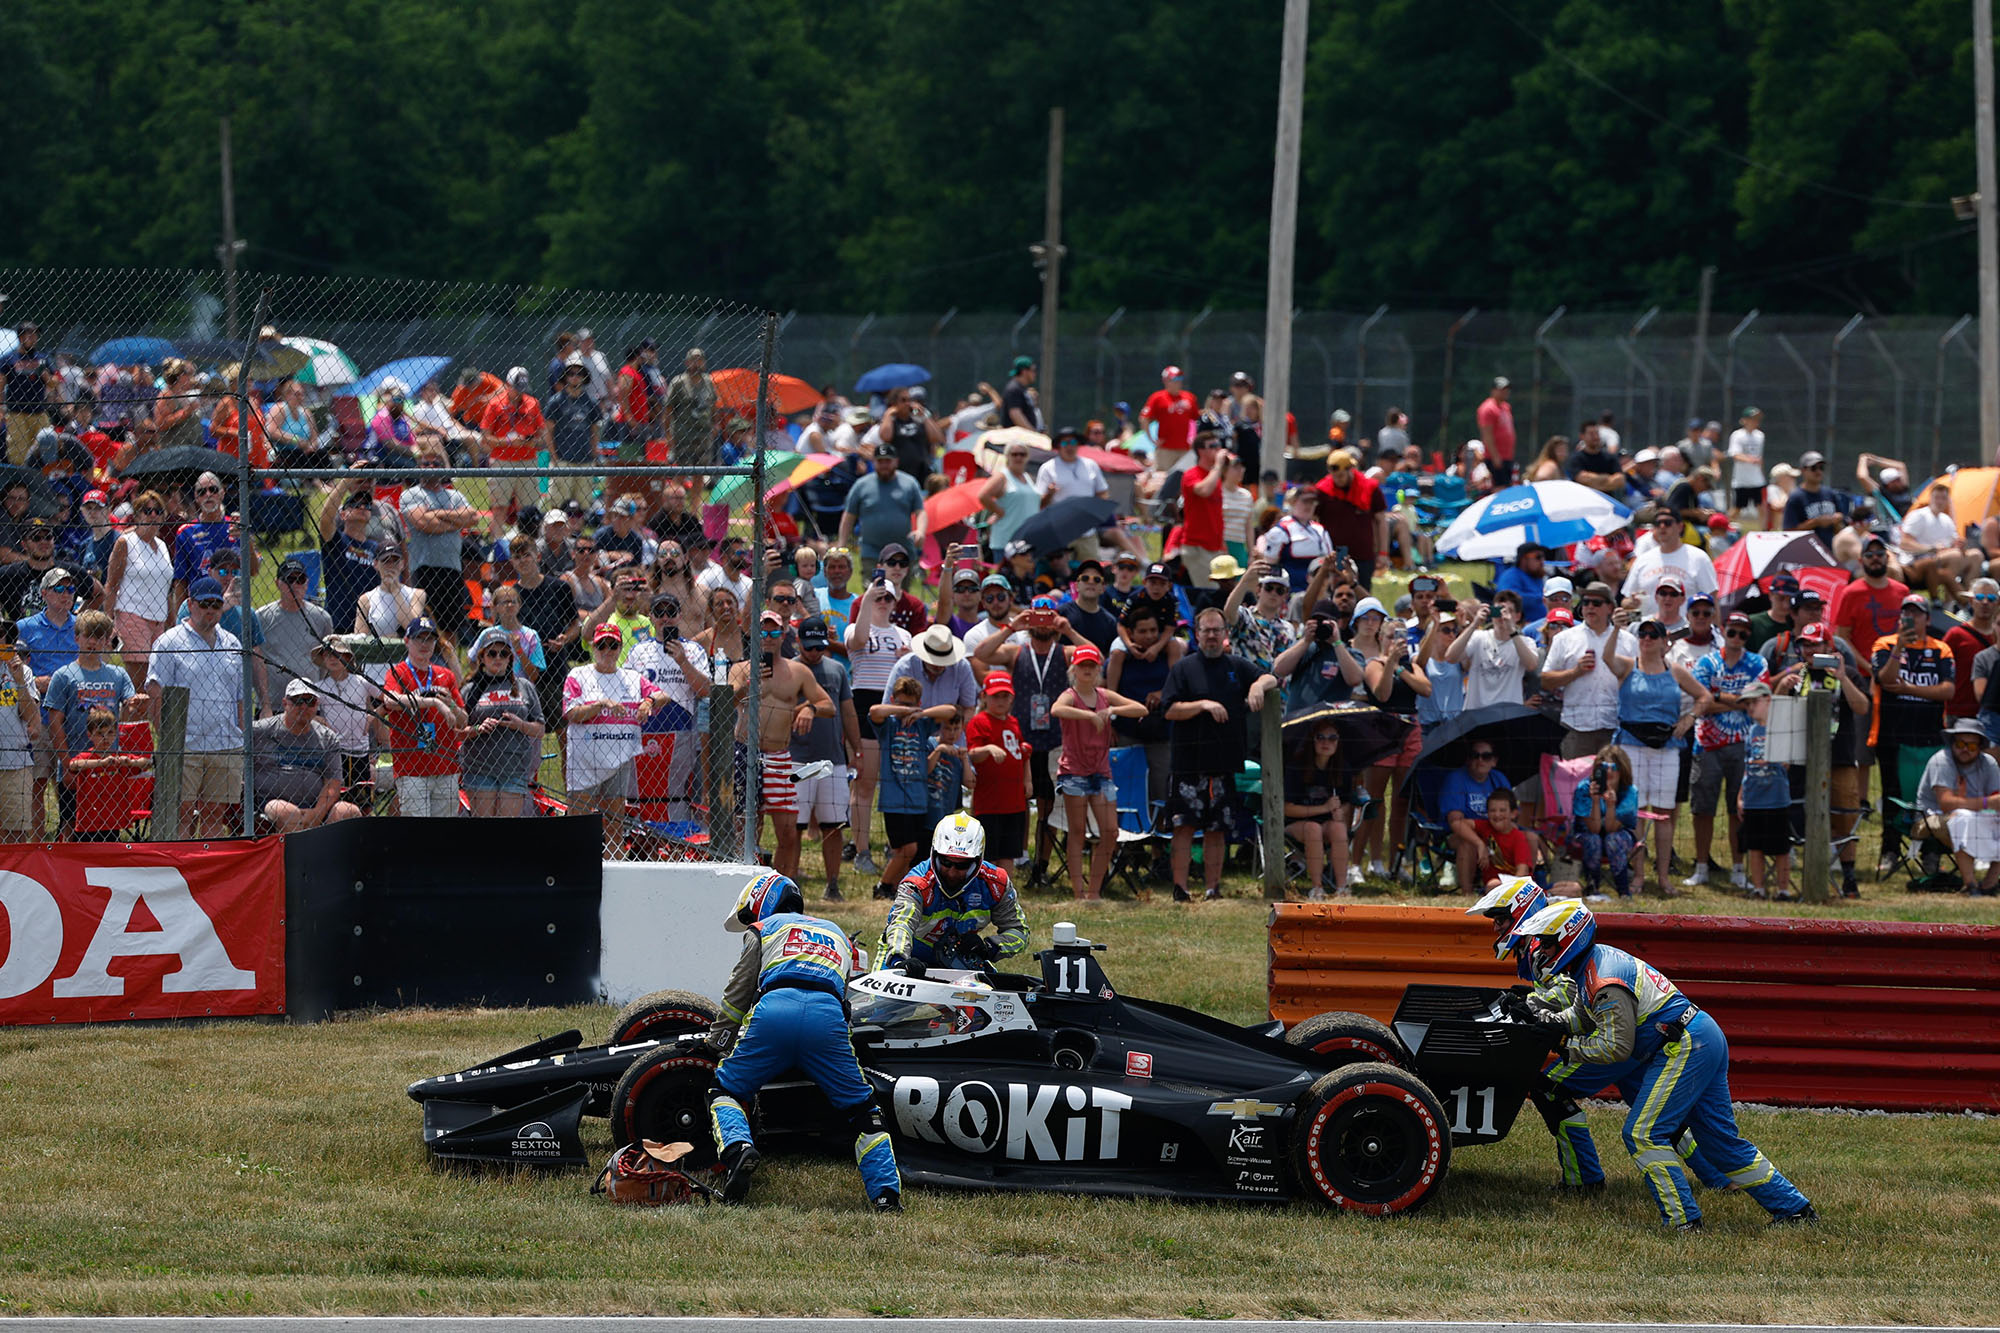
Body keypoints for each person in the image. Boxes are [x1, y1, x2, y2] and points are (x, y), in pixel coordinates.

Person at [1514, 900, 1817, 1230]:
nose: (1541, 950)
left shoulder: (1602, 979)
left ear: (1568, 938)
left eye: (1547, 941)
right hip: (1700, 1035)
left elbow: (1616, 1047)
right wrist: (1548, 1021)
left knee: (1643, 1134)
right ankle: (1795, 1210)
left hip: (1684, 1046)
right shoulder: (1594, 962)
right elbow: (1582, 1015)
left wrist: (1564, 1046)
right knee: (1721, 1144)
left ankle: (1683, 1221)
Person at [708, 870, 902, 1211]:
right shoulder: (838, 933)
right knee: (864, 1112)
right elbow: (845, 1001)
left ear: (763, 903)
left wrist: (718, 1041)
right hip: (827, 1019)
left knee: (726, 1090)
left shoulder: (762, 929)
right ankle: (886, 1196)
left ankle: (738, 1150)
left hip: (774, 1011)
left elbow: (738, 993)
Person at [1161, 607, 1278, 902]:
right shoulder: (1184, 668)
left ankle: (1213, 889)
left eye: (1217, 630)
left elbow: (1272, 678)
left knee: (1217, 830)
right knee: (1183, 827)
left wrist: (1257, 686)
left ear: (1226, 634)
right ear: (1197, 634)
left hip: (1224, 764)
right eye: (1206, 630)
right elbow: (1169, 710)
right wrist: (1202, 705)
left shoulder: (1237, 666)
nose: (1211, 635)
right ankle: (1181, 888)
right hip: (1188, 765)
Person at [729, 609, 834, 881]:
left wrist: (809, 708)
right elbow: (725, 702)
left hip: (778, 755)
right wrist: (749, 686)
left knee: (787, 831)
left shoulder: (797, 671)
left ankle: (779, 887)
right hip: (746, 751)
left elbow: (828, 706)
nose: (768, 637)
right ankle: (746, 885)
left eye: (774, 631)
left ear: (783, 634)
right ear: (753, 634)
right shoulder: (740, 668)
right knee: (747, 827)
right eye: (762, 632)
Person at [1611, 617, 1711, 897]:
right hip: (1632, 744)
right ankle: (1640, 876)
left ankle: (1664, 876)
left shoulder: (1676, 671)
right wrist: (1616, 628)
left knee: (1664, 814)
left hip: (1667, 746)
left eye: (1652, 635)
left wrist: (1689, 719)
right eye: (1642, 634)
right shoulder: (1629, 665)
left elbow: (1704, 697)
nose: (1646, 639)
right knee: (1636, 811)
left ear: (1663, 641)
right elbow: (1608, 659)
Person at [146, 575, 245, 837]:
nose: (210, 610)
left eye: (216, 604)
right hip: (184, 744)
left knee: (216, 812)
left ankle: (208, 869)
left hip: (224, 743)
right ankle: (181, 867)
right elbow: (156, 692)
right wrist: (167, 740)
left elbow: (240, 698)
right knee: (182, 811)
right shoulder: (169, 642)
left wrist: (241, 737)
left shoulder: (233, 644)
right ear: (190, 604)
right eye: (204, 604)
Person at [1049, 644, 1146, 900]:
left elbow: (1141, 709)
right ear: (1075, 670)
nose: (1088, 670)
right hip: (1074, 772)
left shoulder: (1103, 695)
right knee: (1077, 831)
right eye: (1083, 666)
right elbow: (1056, 709)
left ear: (1098, 669)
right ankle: (1079, 892)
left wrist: (1112, 710)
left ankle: (1094, 891)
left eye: (1092, 665)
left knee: (1110, 831)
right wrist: (1086, 716)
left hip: (1101, 772)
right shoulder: (1070, 695)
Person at [879, 811, 1029, 973]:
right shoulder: (916, 884)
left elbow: (1020, 932)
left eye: (962, 866)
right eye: (946, 862)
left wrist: (989, 947)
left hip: (960, 959)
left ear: (978, 860)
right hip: (908, 955)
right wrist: (899, 959)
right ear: (934, 854)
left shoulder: (996, 883)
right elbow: (900, 925)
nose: (952, 872)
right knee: (878, 997)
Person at [1870, 595, 1955, 875]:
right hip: (1892, 737)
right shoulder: (1884, 644)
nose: (1911, 618)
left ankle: (1932, 854)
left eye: (1917, 614)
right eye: (1906, 614)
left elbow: (1947, 690)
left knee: (1933, 799)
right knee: (1893, 799)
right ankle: (1890, 852)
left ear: (1927, 619)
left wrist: (1909, 689)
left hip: (1931, 737)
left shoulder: (1941, 648)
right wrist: (1900, 648)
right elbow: (1886, 679)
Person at [1685, 612, 1767, 889]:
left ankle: (1738, 868)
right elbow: (1702, 701)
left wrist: (1716, 696)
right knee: (1702, 809)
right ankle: (1701, 866)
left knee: (1739, 810)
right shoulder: (1706, 662)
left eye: (1743, 634)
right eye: (1732, 632)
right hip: (1707, 744)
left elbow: (1756, 702)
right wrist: (1738, 701)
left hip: (1744, 745)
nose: (1737, 638)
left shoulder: (1757, 662)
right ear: (1724, 631)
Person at [785, 617, 859, 900]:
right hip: (797, 758)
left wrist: (856, 751)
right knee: (794, 827)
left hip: (832, 760)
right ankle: (791, 884)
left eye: (820, 647)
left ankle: (833, 884)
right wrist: (810, 706)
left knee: (833, 824)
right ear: (798, 642)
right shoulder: (788, 670)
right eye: (809, 647)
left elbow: (848, 713)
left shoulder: (837, 670)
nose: (815, 653)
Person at [44, 608, 136, 837]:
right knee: (70, 824)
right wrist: (66, 764)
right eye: (89, 636)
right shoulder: (63, 675)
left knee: (108, 827)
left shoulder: (118, 674)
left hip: (108, 767)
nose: (94, 642)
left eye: (101, 637)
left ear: (107, 641)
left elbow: (131, 709)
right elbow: (55, 723)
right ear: (77, 638)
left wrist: (137, 704)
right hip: (76, 764)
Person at [564, 622, 660, 837]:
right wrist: (601, 704)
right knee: (577, 825)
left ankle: (614, 864)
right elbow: (572, 713)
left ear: (620, 648)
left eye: (613, 645)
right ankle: (577, 866)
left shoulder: (632, 677)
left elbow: (664, 695)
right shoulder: (578, 675)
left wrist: (649, 701)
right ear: (592, 647)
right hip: (584, 763)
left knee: (614, 826)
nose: (607, 651)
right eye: (602, 645)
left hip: (618, 760)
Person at [870, 676, 955, 898]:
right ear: (893, 700)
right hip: (893, 799)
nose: (905, 709)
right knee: (906, 849)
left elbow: (950, 711)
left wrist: (921, 713)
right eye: (901, 703)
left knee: (913, 853)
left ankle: (901, 889)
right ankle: (884, 886)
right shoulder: (889, 725)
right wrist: (898, 710)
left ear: (918, 703)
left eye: (910, 704)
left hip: (919, 800)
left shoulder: (922, 725)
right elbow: (875, 711)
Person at [380, 615, 466, 817]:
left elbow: (464, 720)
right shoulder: (398, 672)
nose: (425, 644)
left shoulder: (445, 675)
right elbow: (390, 701)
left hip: (446, 765)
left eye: (430, 639)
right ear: (407, 641)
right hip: (411, 768)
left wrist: (450, 704)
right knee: (418, 832)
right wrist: (432, 702)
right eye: (419, 638)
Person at [1540, 583, 1637, 759]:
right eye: (1585, 602)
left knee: (1613, 784)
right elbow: (1545, 680)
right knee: (1576, 785)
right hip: (1576, 727)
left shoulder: (1628, 640)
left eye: (1596, 603)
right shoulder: (1564, 638)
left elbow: (1639, 678)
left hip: (1616, 727)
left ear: (1610, 607)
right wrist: (1575, 672)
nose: (1590, 607)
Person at [250, 679, 361, 832]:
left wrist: (317, 813)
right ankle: (293, 856)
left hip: (314, 807)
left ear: (317, 705)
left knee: (348, 811)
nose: (304, 706)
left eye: (310, 701)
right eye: (297, 701)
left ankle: (329, 855)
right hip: (269, 805)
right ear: (285, 703)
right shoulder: (260, 731)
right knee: (288, 813)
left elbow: (333, 783)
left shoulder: (327, 737)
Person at [457, 625, 545, 817]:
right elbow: (457, 731)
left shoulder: (524, 687)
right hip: (479, 767)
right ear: (482, 658)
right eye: (492, 653)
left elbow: (540, 729)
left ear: (510, 659)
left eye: (503, 653)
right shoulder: (470, 690)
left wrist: (520, 725)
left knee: (507, 831)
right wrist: (478, 729)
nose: (498, 658)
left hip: (514, 767)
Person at [1918, 717, 2000, 895]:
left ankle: (1989, 885)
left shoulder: (1989, 763)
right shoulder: (1941, 760)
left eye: (1971, 746)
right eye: (1961, 744)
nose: (1964, 750)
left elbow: (1997, 800)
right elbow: (1947, 803)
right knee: (1962, 819)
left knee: (1967, 817)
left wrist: (1988, 803)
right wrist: (1986, 803)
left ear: (1979, 747)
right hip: (1932, 816)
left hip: (1977, 817)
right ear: (1952, 742)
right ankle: (1970, 886)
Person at [1730, 681, 1794, 900]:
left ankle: (1783, 890)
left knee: (1780, 848)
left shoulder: (1780, 729)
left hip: (1776, 799)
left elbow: (1786, 762)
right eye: (1746, 704)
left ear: (1768, 701)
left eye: (1754, 702)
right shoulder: (1751, 731)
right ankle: (1759, 888)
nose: (1750, 708)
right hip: (1754, 799)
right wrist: (1740, 797)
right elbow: (1747, 767)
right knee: (1754, 847)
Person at [965, 671, 1032, 873]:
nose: (1001, 701)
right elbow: (972, 754)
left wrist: (1027, 780)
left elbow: (1023, 754)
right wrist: (988, 749)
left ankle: (1005, 896)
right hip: (989, 803)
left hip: (1014, 802)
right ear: (984, 696)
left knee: (1008, 854)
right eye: (995, 696)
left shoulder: (1013, 722)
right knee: (988, 855)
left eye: (1005, 696)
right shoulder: (979, 722)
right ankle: (986, 895)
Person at [1283, 721, 1353, 899]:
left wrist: (1341, 811)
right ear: (1311, 740)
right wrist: (1324, 807)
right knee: (1312, 828)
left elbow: (1347, 801)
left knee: (1338, 828)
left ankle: (1342, 887)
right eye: (1320, 737)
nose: (1326, 742)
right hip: (1295, 824)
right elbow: (1287, 809)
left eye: (1332, 738)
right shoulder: (1296, 767)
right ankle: (1317, 887)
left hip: (1327, 824)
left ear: (1338, 742)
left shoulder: (1341, 768)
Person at [255, 556, 335, 696]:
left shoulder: (322, 618)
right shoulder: (261, 617)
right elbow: (256, 661)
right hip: (273, 702)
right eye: (289, 580)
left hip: (309, 701)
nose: (294, 585)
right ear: (277, 583)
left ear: (307, 583)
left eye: (300, 580)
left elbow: (326, 662)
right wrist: (264, 702)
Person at [311, 636, 377, 802]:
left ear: (347, 657)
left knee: (363, 800)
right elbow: (307, 711)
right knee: (338, 799)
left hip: (360, 751)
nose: (332, 658)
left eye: (337, 654)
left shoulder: (361, 682)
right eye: (327, 654)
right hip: (335, 752)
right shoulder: (320, 687)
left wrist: (373, 716)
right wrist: (320, 721)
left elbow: (388, 699)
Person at [1311, 450, 1389, 590]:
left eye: (1341, 475)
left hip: (1363, 552)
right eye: (1334, 475)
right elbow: (1313, 522)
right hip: (1337, 552)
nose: (1337, 479)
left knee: (1362, 591)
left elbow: (1381, 521)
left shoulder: (1369, 488)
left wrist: (1383, 553)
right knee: (1340, 592)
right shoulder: (1323, 491)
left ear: (1349, 469)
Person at [838, 447, 928, 566]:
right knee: (872, 584)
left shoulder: (909, 483)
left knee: (901, 585)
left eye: (888, 461)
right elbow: (849, 515)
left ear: (896, 461)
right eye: (880, 461)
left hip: (902, 551)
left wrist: (921, 531)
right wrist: (842, 545)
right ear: (874, 462)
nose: (884, 465)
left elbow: (920, 511)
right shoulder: (861, 485)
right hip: (871, 552)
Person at [66, 707, 146, 840]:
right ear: (90, 735)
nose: (105, 738)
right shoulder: (87, 756)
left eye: (110, 733)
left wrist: (130, 762)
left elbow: (145, 763)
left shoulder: (118, 758)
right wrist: (101, 763)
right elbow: (73, 765)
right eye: (100, 734)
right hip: (88, 822)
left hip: (112, 822)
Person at [1448, 594, 1538, 710]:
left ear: (1517, 616)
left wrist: (1512, 630)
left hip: (1508, 715)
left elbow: (1531, 665)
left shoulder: (1526, 642)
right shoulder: (1477, 637)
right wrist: (1474, 624)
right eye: (1498, 611)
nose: (1502, 616)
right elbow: (1451, 657)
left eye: (1508, 611)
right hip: (1477, 714)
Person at [1571, 745, 1639, 899]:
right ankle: (1592, 888)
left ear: (1622, 769)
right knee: (1593, 839)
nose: (1608, 771)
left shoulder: (1629, 792)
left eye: (1613, 767)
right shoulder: (1584, 789)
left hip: (1617, 837)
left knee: (1613, 839)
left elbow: (1611, 828)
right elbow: (1593, 829)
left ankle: (1623, 891)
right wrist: (1595, 802)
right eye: (1603, 767)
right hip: (1587, 837)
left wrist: (1610, 806)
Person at [1441, 743, 1509, 893]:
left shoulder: (1499, 779)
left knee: (1529, 837)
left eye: (1486, 756)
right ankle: (1468, 894)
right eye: (1474, 755)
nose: (1480, 760)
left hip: (1494, 831)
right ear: (1468, 760)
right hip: (1460, 834)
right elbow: (1455, 822)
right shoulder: (1456, 779)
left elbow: (1511, 814)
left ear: (1494, 761)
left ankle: (1531, 889)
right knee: (1468, 844)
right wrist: (1479, 843)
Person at [1901, 484, 1982, 604]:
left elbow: (1953, 543)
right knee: (1954, 556)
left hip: (1945, 555)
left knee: (1976, 555)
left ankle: (1969, 598)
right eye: (1936, 497)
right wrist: (1930, 549)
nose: (1939, 501)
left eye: (1943, 498)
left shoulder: (1946, 519)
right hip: (1920, 559)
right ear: (1930, 498)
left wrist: (1960, 545)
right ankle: (1948, 603)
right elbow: (1904, 543)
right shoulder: (1918, 516)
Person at [0, 622, 39, 840]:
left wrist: (19, 681)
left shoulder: (22, 671)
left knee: (16, 833)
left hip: (15, 761)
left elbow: (31, 716)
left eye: (0, 633)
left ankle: (14, 874)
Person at [1257, 485, 1335, 593]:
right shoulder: (1281, 531)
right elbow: (1269, 566)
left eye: (1312, 502)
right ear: (1294, 502)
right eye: (1305, 501)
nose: (1309, 506)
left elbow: (1329, 562)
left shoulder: (1320, 530)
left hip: (1319, 592)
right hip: (1290, 591)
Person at [1946, 578, 2000, 720]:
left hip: (1995, 715)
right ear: (1971, 601)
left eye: (1991, 598)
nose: (1985, 603)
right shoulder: (1956, 635)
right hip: (1960, 712)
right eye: (1980, 597)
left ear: (1998, 603)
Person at [979, 438, 1041, 558]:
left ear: (1027, 457)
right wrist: (999, 511)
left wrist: (1050, 494)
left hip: (1027, 541)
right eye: (1014, 454)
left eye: (1022, 454)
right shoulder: (1002, 476)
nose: (1018, 458)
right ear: (1007, 456)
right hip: (1006, 541)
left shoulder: (1028, 478)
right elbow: (983, 496)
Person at [1141, 365, 1197, 472]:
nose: (1178, 382)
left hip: (1185, 448)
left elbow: (1195, 419)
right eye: (1174, 379)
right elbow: (1144, 418)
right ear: (1165, 381)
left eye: (1180, 379)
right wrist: (1151, 440)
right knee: (1163, 478)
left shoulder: (1189, 397)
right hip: (1165, 449)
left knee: (1184, 480)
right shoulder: (1157, 398)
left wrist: (1193, 440)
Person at [1726, 406, 1766, 523]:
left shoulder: (1760, 436)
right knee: (1738, 507)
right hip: (1742, 479)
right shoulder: (1737, 435)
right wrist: (1751, 460)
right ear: (1745, 420)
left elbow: (1760, 458)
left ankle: (1764, 532)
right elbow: (1735, 454)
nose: (1755, 422)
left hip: (1757, 479)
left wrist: (1761, 471)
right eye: (1753, 419)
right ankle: (1724, 527)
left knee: (1762, 507)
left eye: (1757, 419)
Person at [1475, 377, 1517, 487]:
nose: (1505, 392)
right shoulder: (1488, 409)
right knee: (1499, 488)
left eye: (1507, 389)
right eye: (1502, 389)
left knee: (1507, 486)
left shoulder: (1506, 407)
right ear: (1493, 390)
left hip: (1507, 456)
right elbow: (1487, 435)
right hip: (1496, 458)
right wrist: (1495, 456)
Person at [1495, 543, 1549, 624]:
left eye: (1543, 557)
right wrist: (1542, 598)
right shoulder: (1511, 576)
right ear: (1524, 559)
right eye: (1538, 557)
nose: (1542, 561)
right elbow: (1508, 599)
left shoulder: (1536, 576)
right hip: (1521, 626)